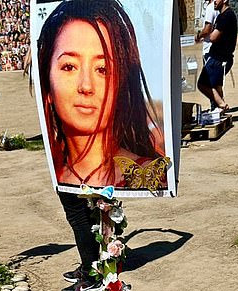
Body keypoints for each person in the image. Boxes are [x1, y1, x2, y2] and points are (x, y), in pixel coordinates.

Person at [37, 0, 167, 191]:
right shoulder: (55, 176)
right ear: (47, 85)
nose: (86, 86)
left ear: (121, 85)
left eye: (103, 69)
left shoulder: (149, 177)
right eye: (69, 67)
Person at [197, 0, 237, 113]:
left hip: (218, 57)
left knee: (203, 84)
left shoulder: (224, 16)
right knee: (216, 85)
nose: (214, 1)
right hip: (223, 57)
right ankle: (219, 108)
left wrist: (202, 36)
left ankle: (221, 105)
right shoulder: (226, 15)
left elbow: (214, 37)